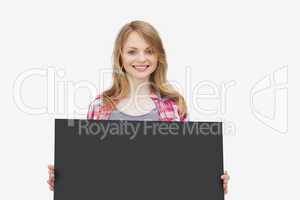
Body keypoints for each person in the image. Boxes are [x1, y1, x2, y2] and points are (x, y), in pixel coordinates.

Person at [47, 20, 230, 194]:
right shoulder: (100, 105)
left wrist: (211, 181)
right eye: (132, 51)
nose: (141, 59)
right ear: (120, 56)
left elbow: (188, 166)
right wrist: (66, 177)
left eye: (149, 51)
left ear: (158, 56)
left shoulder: (173, 105)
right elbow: (88, 166)